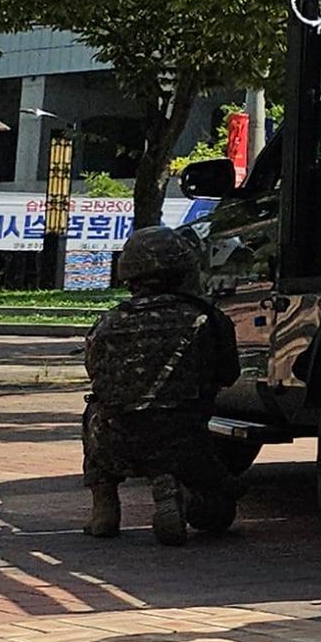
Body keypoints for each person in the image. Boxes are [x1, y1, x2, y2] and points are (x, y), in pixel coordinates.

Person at [82, 226, 243, 545]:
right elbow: (229, 374)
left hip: (115, 439)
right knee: (216, 513)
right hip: (184, 438)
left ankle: (105, 506)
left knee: (92, 414)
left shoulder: (108, 321)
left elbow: (98, 377)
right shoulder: (206, 319)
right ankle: (167, 485)